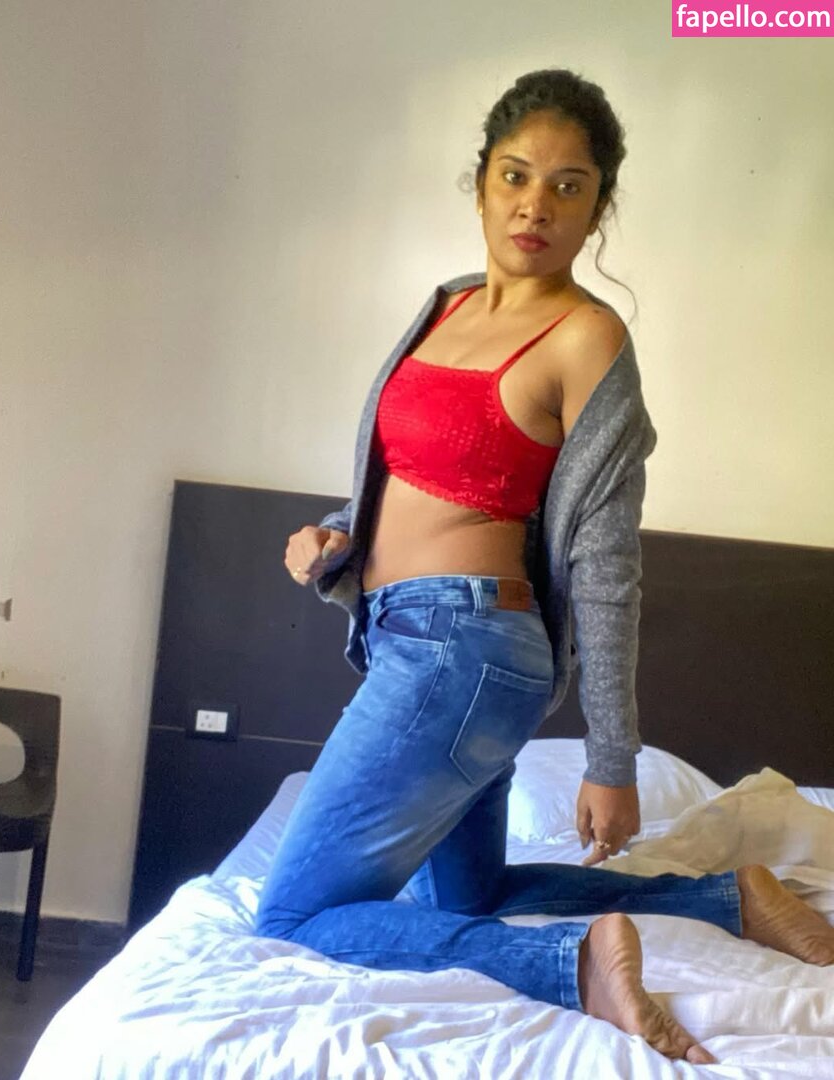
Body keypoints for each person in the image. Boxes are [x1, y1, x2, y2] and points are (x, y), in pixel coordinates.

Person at [257, 69, 834, 1064]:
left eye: (570, 186)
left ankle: (571, 963)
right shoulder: (443, 307)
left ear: (598, 207)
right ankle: (729, 896)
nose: (536, 204)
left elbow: (606, 562)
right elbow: (418, 478)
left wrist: (612, 759)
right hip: (427, 640)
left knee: (295, 913)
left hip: (462, 648)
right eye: (517, 176)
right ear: (481, 180)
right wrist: (336, 535)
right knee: (472, 895)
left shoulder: (587, 337)